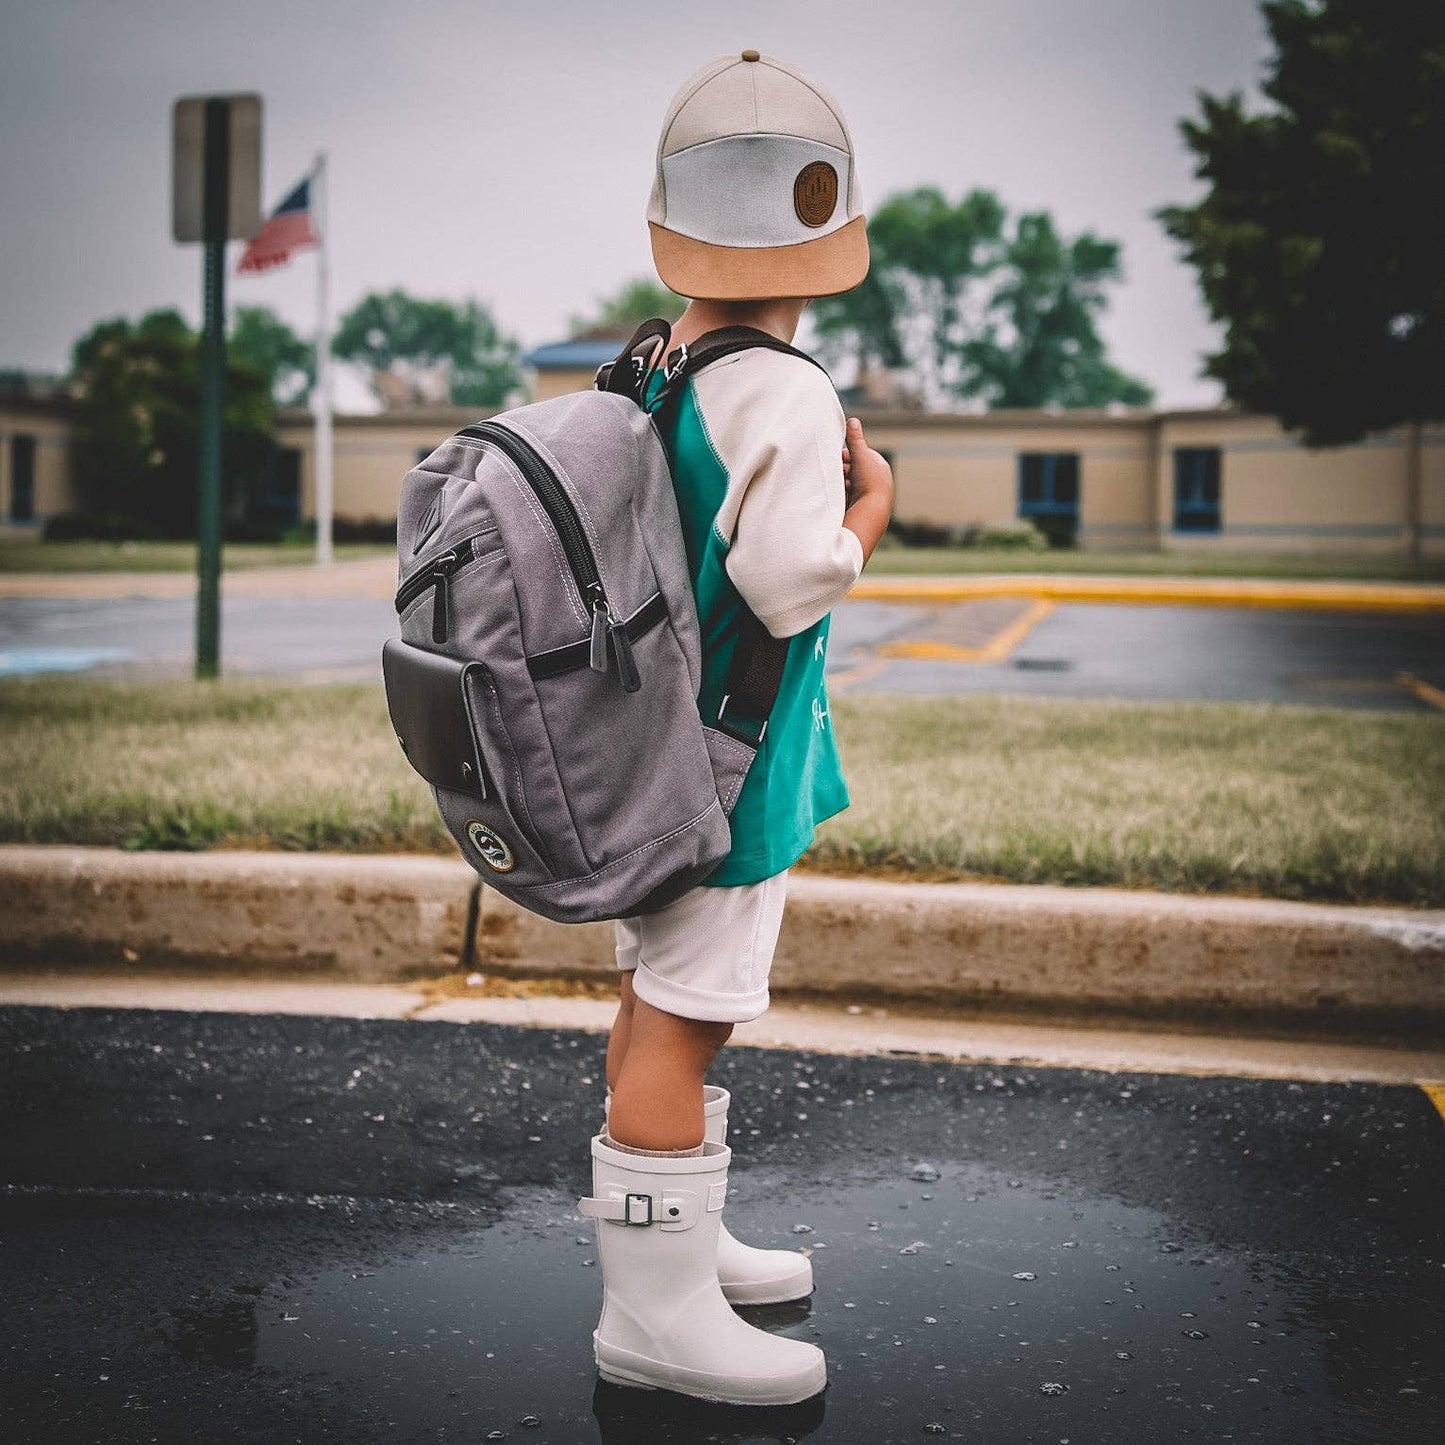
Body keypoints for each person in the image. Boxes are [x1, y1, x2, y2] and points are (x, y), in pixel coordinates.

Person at [576, 49, 894, 1407]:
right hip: (727, 762)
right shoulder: (787, 389)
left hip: (649, 747)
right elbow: (786, 575)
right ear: (823, 238)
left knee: (657, 1001)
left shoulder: (654, 364)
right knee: (684, 1017)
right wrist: (872, 505)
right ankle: (652, 1317)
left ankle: (680, 1252)